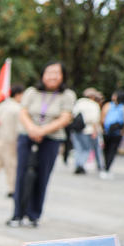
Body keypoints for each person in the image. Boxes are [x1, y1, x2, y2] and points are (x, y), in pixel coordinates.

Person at [8, 61, 76, 227]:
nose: (52, 76)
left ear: (62, 76)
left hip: (51, 139)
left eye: (56, 73)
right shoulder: (31, 92)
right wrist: (32, 129)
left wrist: (42, 131)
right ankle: (17, 214)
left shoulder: (67, 95)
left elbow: (65, 117)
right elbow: (22, 112)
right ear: (43, 74)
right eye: (49, 72)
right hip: (27, 135)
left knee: (42, 175)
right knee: (21, 174)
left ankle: (33, 215)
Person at [70, 87, 105, 176]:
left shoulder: (80, 102)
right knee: (86, 149)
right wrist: (94, 131)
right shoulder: (94, 105)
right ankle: (81, 165)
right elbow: (95, 120)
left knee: (78, 148)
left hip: (76, 129)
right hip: (88, 130)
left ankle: (77, 164)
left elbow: (73, 114)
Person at [101, 90, 124, 174]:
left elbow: (102, 118)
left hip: (108, 131)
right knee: (112, 150)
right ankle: (107, 166)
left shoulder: (108, 105)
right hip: (117, 131)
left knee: (107, 149)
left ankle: (106, 165)